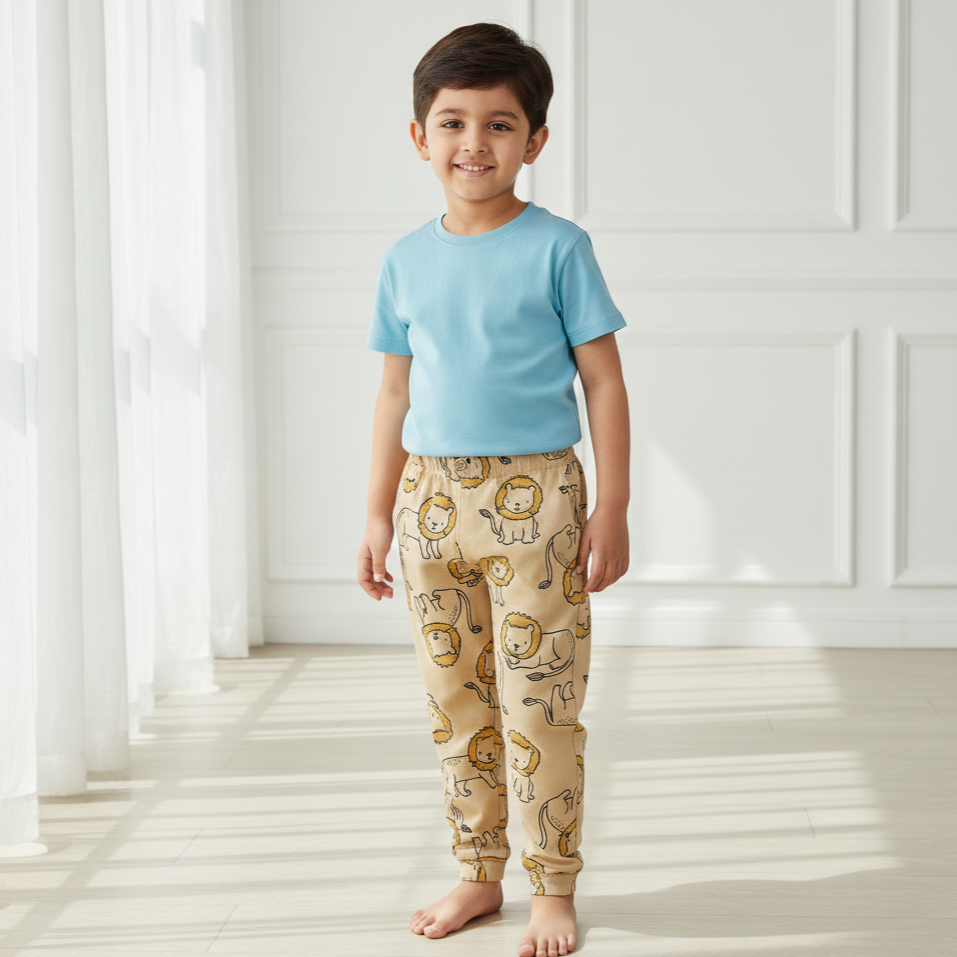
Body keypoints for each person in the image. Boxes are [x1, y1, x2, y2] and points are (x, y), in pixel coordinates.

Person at [356, 21, 630, 957]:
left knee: (540, 703)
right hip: (429, 502)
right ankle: (479, 870)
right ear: (419, 136)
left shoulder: (559, 247)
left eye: (499, 124)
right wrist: (375, 512)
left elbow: (603, 382)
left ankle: (552, 884)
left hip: (539, 500)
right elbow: (394, 392)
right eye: (453, 122)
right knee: (456, 702)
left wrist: (611, 506)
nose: (474, 142)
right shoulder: (404, 259)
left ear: (534, 141)